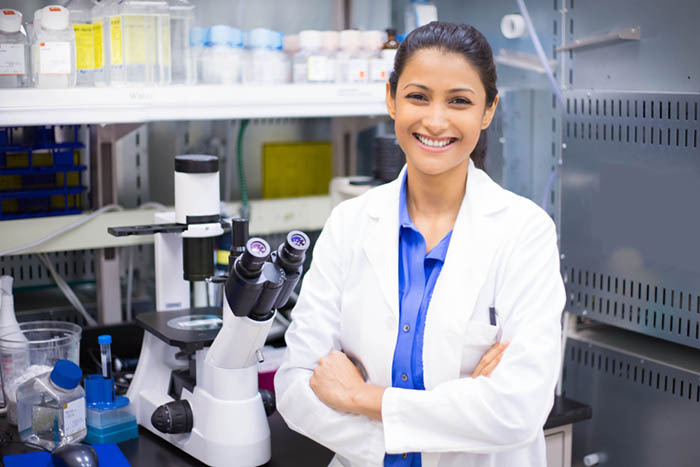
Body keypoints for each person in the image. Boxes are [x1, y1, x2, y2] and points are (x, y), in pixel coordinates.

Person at [274, 21, 566, 467]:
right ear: (391, 98)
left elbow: (517, 409)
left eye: (459, 102)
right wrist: (450, 418)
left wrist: (357, 395)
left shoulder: (525, 232)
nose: (435, 120)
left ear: (488, 111)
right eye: (418, 96)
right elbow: (296, 386)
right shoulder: (350, 223)